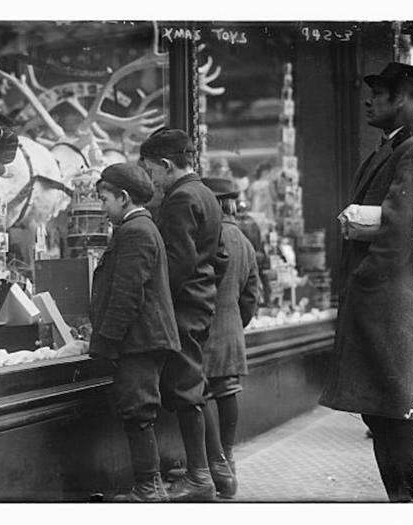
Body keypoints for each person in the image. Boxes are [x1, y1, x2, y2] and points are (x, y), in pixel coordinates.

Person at [319, 62, 413, 502]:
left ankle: (409, 501)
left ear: (407, 98)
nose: (368, 100)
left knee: (392, 414)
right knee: (384, 413)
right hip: (381, 303)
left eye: (379, 93)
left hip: (386, 305)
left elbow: (399, 231)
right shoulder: (393, 148)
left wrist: (363, 280)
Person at [138, 129, 229, 501]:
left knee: (185, 388)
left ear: (165, 164)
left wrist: (151, 304)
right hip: (200, 303)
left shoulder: (180, 198)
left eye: (149, 170)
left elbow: (174, 265)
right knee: (197, 385)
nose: (149, 179)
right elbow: (219, 257)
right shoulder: (206, 194)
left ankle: (199, 477)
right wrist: (204, 290)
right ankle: (218, 469)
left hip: (181, 308)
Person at [89, 163, 181, 502]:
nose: (102, 207)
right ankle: (150, 486)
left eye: (104, 199)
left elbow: (127, 293)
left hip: (139, 342)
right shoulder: (141, 228)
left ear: (124, 197)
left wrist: (105, 342)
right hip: (143, 338)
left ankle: (149, 489)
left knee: (138, 411)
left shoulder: (135, 231)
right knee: (138, 410)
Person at [200, 177, 260, 498]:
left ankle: (215, 463)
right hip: (231, 328)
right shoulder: (244, 240)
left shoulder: (207, 235)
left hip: (204, 329)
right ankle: (228, 457)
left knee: (201, 394)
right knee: (227, 392)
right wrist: (237, 321)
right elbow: (251, 296)